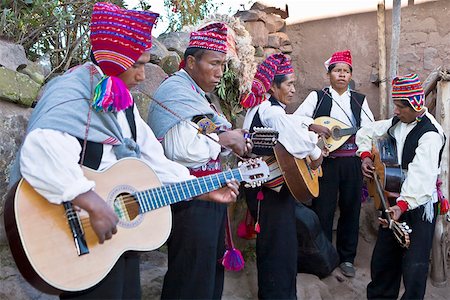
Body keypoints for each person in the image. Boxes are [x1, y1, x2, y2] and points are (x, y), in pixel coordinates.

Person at [9, 3, 239, 299]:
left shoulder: (124, 104)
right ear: (115, 59)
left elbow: (153, 163)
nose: (143, 76)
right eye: (138, 64)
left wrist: (200, 189)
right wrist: (91, 202)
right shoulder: (72, 93)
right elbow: (39, 153)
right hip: (80, 236)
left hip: (117, 239)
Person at [147, 22, 251, 299]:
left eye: (222, 65)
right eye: (214, 64)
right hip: (190, 197)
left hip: (209, 192)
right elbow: (182, 148)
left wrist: (227, 138)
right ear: (191, 62)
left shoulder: (196, 98)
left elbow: (203, 128)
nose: (219, 73)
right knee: (191, 275)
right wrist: (223, 140)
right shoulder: (175, 92)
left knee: (208, 272)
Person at [240, 53, 324, 299]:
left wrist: (308, 125)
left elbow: (291, 125)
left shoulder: (265, 108)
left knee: (277, 246)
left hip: (267, 190)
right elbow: (299, 143)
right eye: (289, 84)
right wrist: (317, 152)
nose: (293, 90)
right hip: (270, 193)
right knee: (279, 249)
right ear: (273, 86)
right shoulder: (272, 112)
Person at [356, 73, 446, 299]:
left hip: (418, 207)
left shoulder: (431, 134)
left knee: (414, 267)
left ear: (415, 105)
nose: (395, 111)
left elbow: (420, 177)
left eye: (400, 107)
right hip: (394, 202)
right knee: (384, 261)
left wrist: (402, 205)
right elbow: (367, 131)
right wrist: (366, 156)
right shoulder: (397, 123)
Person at [294, 50, 374, 277]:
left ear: (350, 76)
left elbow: (369, 129)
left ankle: (347, 258)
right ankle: (323, 256)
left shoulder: (359, 100)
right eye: (337, 70)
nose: (342, 75)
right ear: (329, 74)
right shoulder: (317, 97)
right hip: (325, 163)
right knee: (323, 209)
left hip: (352, 163)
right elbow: (297, 120)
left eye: (346, 71)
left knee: (351, 209)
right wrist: (313, 126)